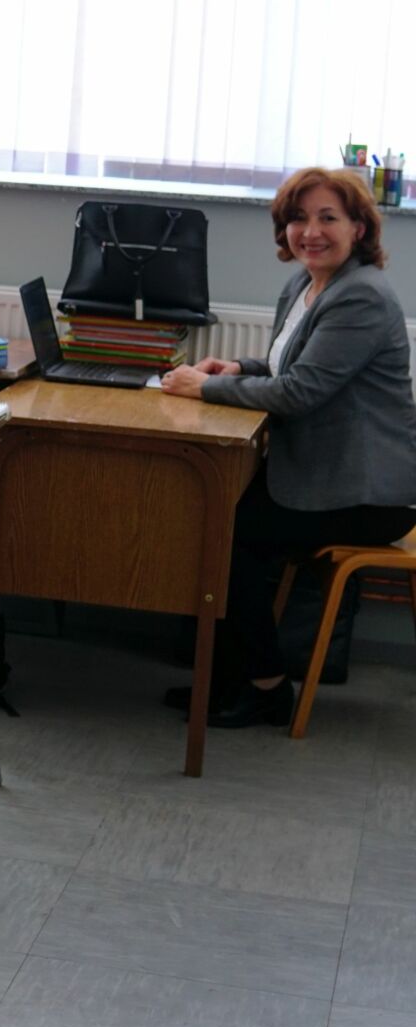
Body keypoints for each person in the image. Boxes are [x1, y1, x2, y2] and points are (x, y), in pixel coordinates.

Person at [161, 167, 416, 727]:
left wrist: (206, 386)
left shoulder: (362, 297)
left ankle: (266, 686)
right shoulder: (304, 285)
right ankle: (232, 676)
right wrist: (234, 367)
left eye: (328, 217)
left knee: (228, 539)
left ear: (358, 227)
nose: (311, 230)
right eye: (299, 218)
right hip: (320, 475)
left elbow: (300, 392)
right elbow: (286, 367)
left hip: (365, 493)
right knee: (216, 525)